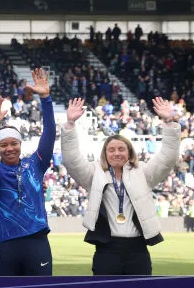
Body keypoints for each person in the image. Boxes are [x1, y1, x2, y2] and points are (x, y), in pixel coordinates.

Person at [61, 96, 180, 275]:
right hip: (106, 249)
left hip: (138, 249)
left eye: (121, 149)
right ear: (105, 153)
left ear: (129, 152)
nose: (117, 153)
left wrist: (169, 122)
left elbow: (167, 159)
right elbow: (72, 161)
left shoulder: (144, 172)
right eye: (112, 149)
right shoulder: (94, 173)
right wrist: (70, 124)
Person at [0, 69, 55, 276]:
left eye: (13, 143)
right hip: (4, 242)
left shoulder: (35, 164)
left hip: (36, 240)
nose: (9, 148)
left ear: (20, 144)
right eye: (3, 145)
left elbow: (49, 135)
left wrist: (46, 98)